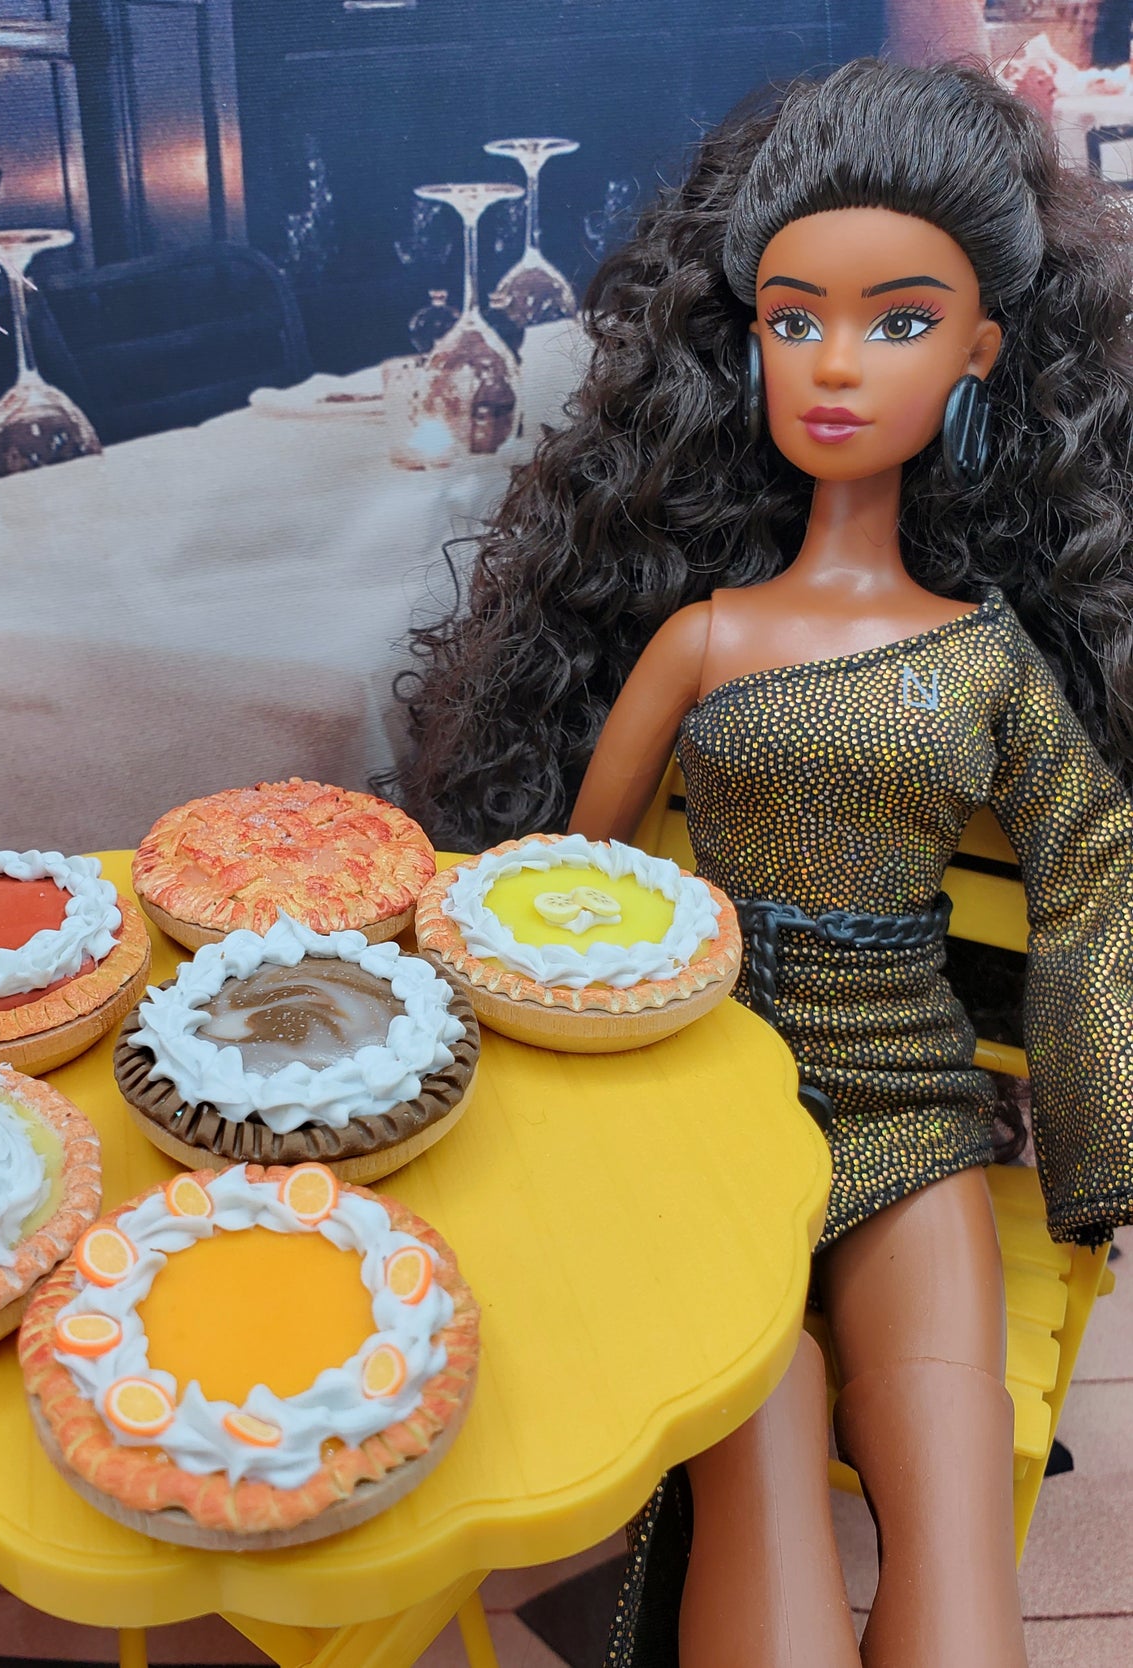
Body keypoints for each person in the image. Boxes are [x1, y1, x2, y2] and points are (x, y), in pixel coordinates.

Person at [394, 58, 1133, 1668]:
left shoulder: (988, 663)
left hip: (907, 1105)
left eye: (899, 320)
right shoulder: (705, 637)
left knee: (948, 1506)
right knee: (760, 1450)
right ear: (745, 342)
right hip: (696, 1097)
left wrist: (1096, 1145)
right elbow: (563, 884)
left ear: (980, 350)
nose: (836, 365)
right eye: (795, 320)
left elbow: (1094, 875)